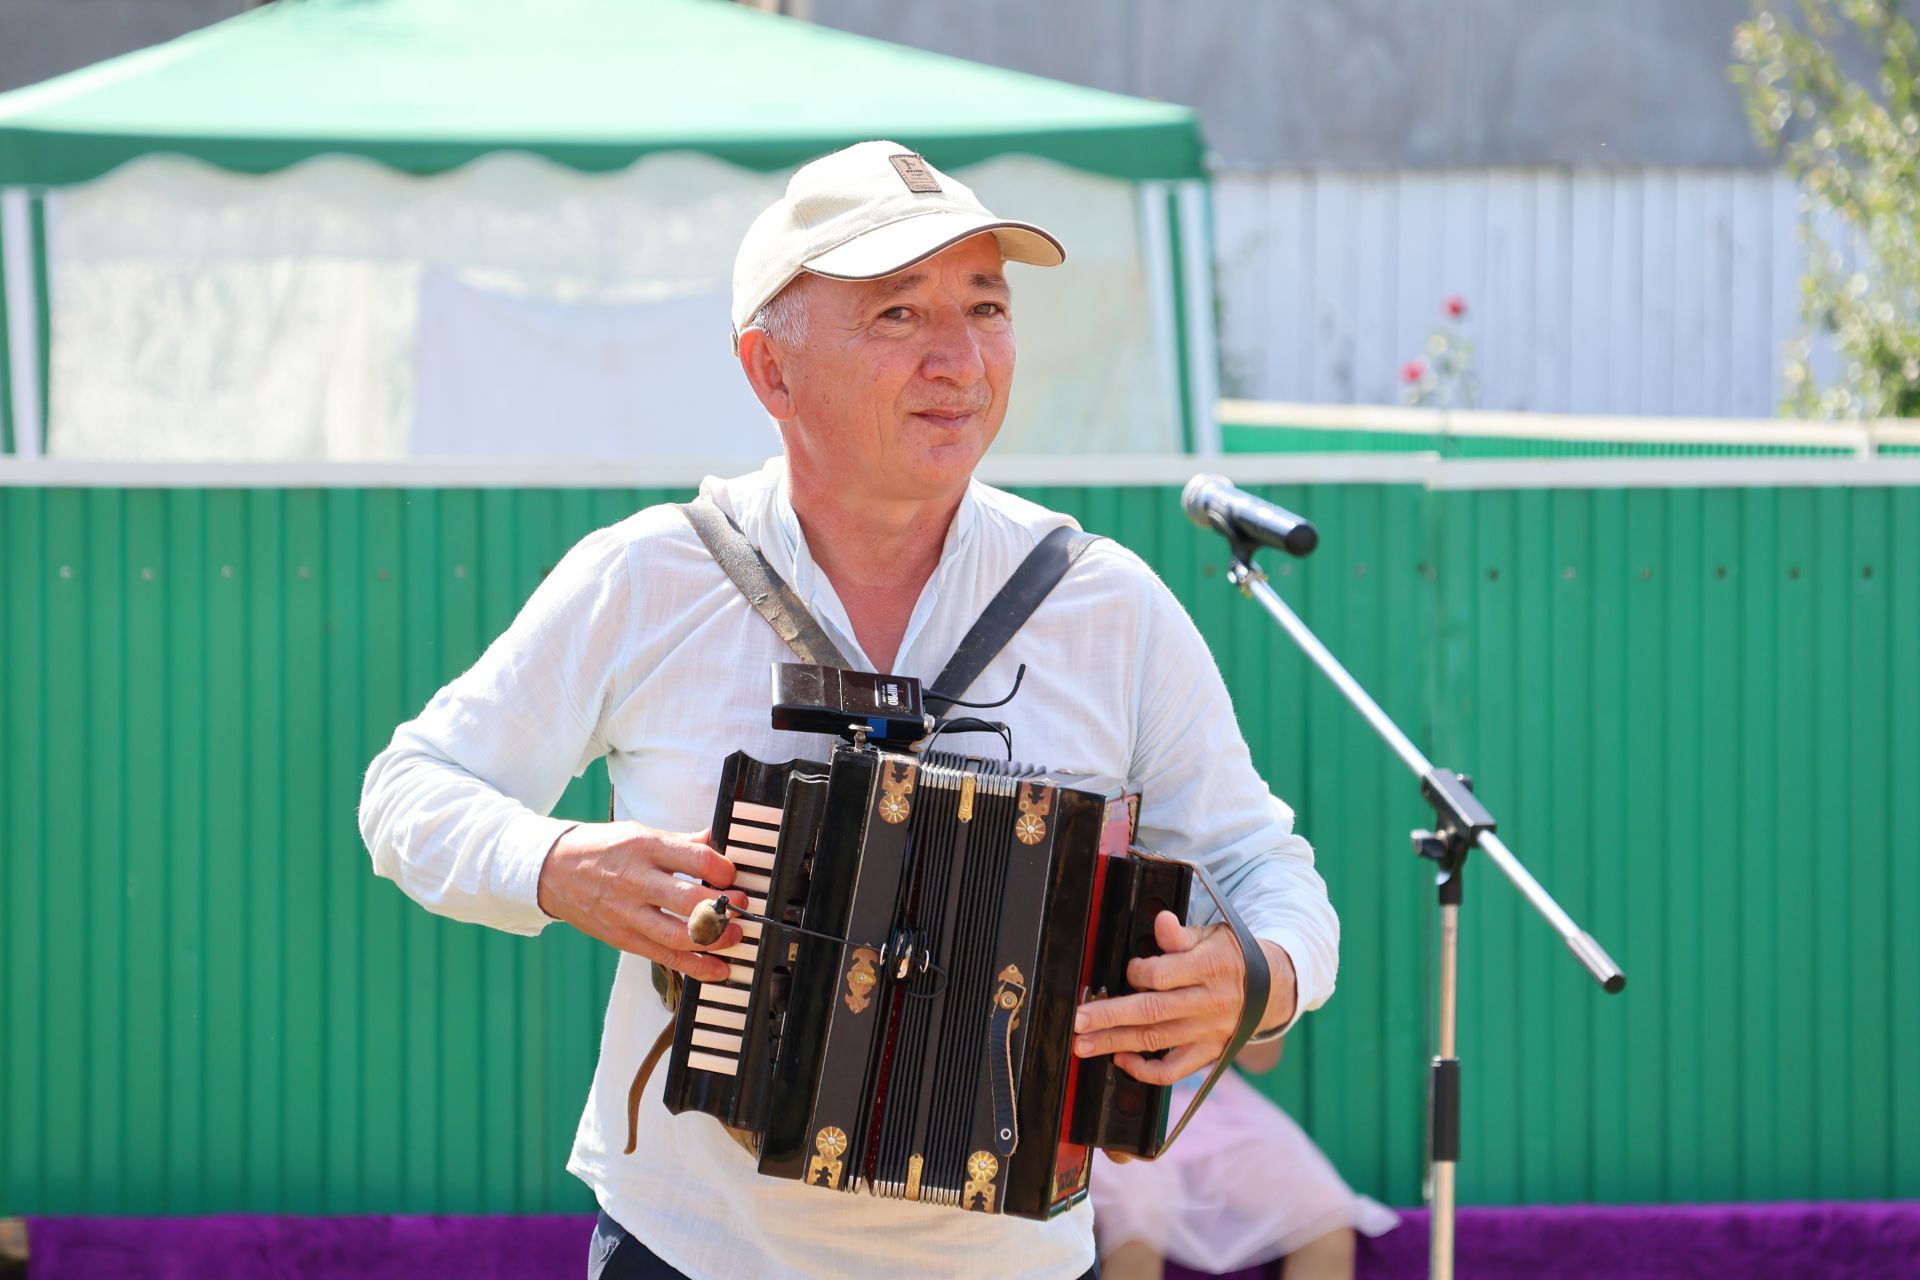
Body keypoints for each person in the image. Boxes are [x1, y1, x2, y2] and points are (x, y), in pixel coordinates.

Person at [359, 140, 1339, 1280]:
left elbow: (1265, 867)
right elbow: (409, 787)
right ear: (770, 370)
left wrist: (1254, 978)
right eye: (896, 314)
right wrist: (557, 860)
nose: (960, 359)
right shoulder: (651, 575)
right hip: (694, 1249)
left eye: (986, 306)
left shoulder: (1105, 603)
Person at [1091, 1039, 1397, 1280]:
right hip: (1107, 1092)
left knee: (1326, 1217)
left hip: (1206, 1097)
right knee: (1137, 1223)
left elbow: (1263, 1058)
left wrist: (1241, 987)